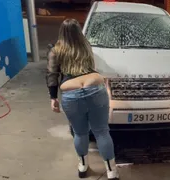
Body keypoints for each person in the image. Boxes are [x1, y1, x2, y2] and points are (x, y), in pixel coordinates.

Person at [46, 19, 120, 179]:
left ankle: (83, 166)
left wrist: (53, 97)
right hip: (95, 88)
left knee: (80, 133)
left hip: (71, 93)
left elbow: (52, 75)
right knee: (101, 132)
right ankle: (111, 172)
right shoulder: (86, 45)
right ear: (79, 31)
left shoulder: (55, 50)